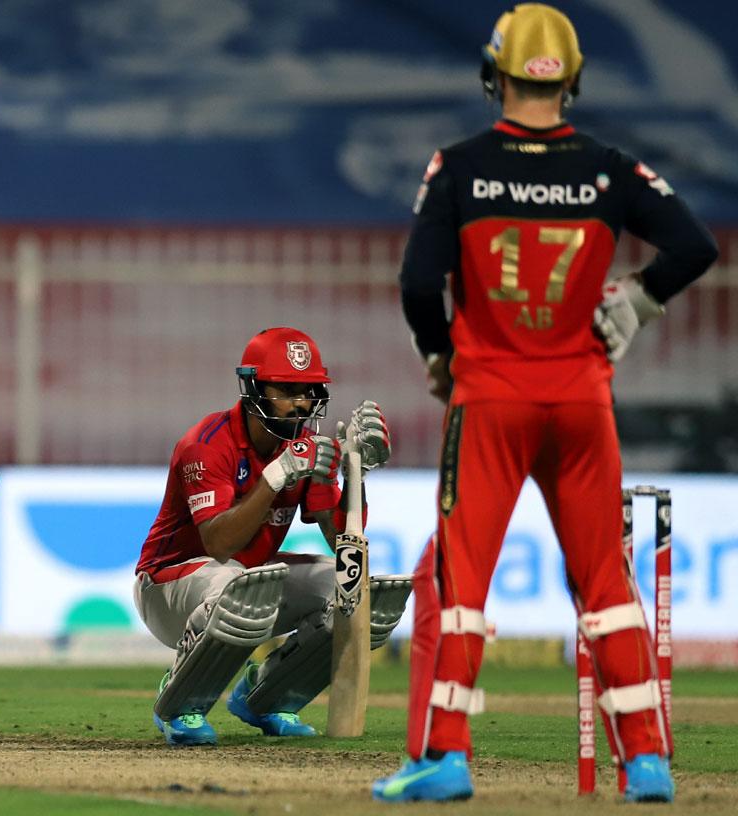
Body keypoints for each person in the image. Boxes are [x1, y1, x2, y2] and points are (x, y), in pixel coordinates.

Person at [374, 4, 718, 803]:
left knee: (463, 580)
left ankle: (446, 756)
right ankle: (647, 763)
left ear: (492, 74)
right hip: (581, 398)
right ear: (573, 78)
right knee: (605, 578)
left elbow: (419, 284)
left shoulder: (459, 167)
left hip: (490, 397)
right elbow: (695, 246)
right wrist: (635, 303)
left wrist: (439, 355)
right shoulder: (607, 168)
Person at [133, 326, 411, 746]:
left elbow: (343, 545)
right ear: (254, 390)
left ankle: (269, 697)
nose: (301, 402)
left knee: (355, 594)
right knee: (234, 584)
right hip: (168, 586)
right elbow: (220, 545)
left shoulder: (306, 443)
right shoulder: (207, 444)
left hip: (245, 579)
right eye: (287, 389)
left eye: (309, 390)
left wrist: (355, 477)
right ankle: (179, 702)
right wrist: (276, 475)